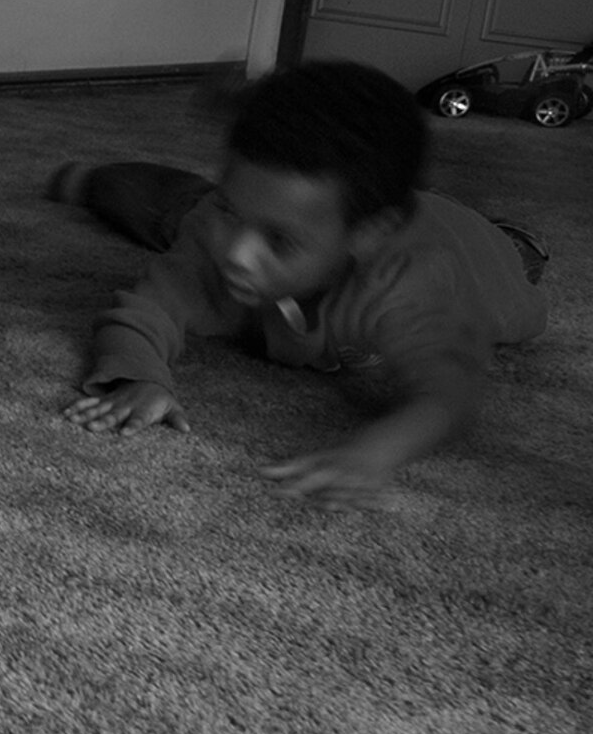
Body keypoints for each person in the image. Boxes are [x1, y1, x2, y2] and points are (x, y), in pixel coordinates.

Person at [56, 59, 550, 510]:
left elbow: (449, 391)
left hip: (473, 246)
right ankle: (102, 181)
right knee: (175, 206)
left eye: (277, 240)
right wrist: (140, 374)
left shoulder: (411, 280)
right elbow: (145, 311)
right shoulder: (223, 229)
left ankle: (513, 235)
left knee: (512, 261)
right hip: (288, 212)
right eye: (234, 208)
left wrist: (372, 453)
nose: (236, 254)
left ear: (367, 236)